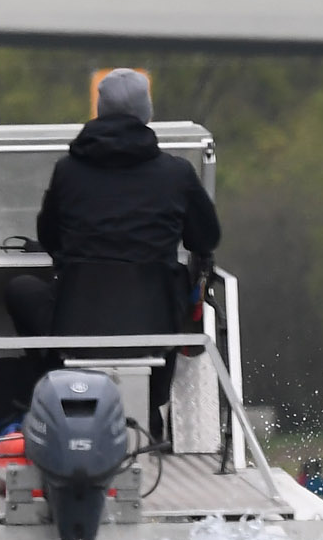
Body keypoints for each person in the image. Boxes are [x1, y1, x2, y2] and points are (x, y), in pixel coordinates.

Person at [26, 68, 221, 431]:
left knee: (21, 291)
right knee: (175, 288)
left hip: (77, 325)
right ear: (146, 114)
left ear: (99, 111)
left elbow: (50, 238)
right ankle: (150, 406)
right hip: (152, 324)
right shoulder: (176, 174)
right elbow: (206, 239)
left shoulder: (68, 171)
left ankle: (50, 390)